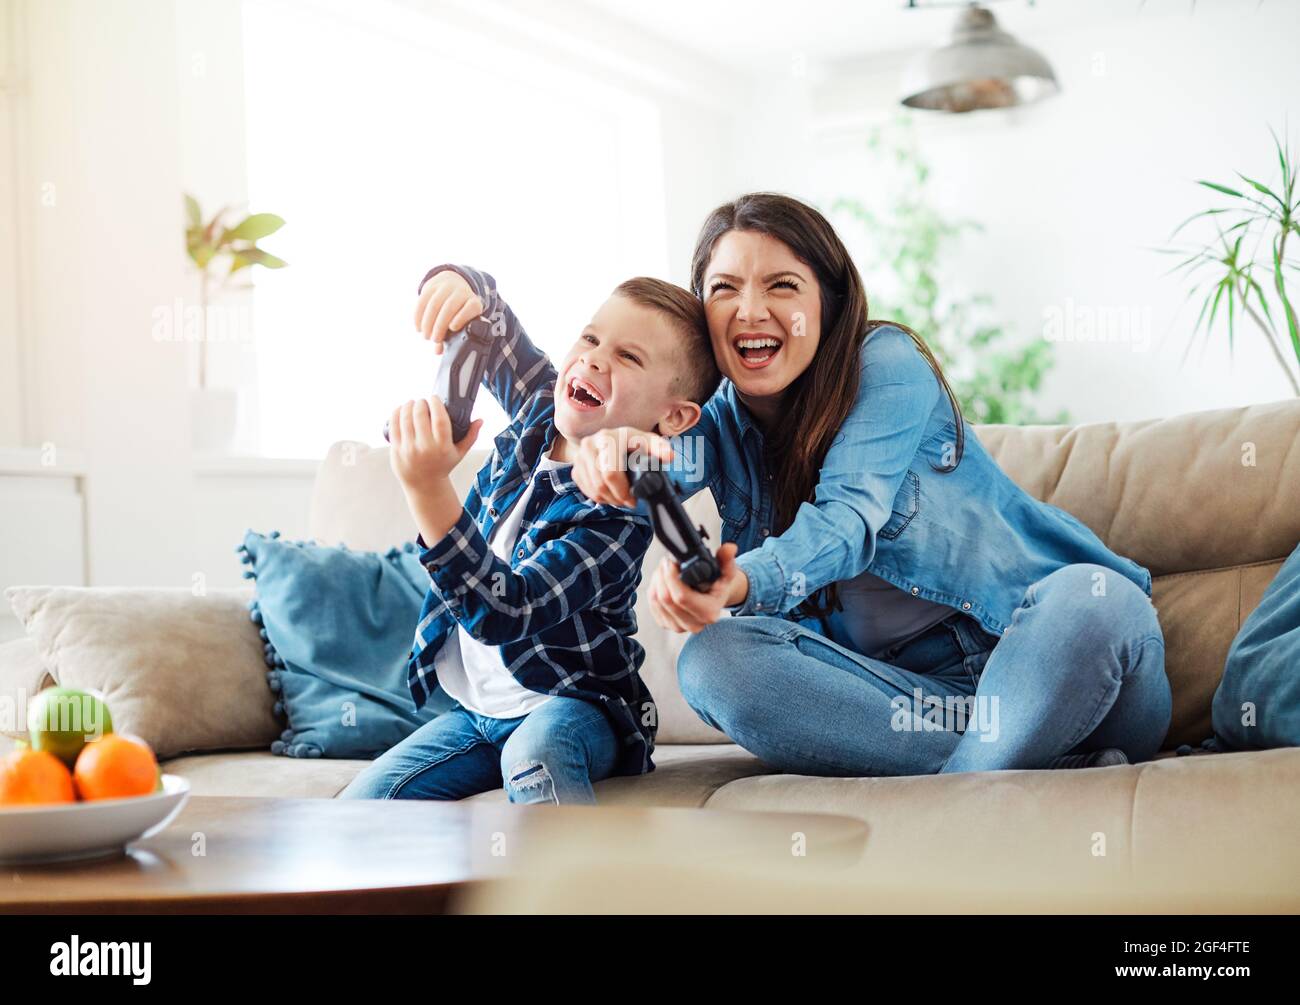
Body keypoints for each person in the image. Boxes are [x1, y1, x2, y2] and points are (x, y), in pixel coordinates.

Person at [570, 192, 1172, 776]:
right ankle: (1009, 767)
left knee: (1094, 597)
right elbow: (658, 469)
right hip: (905, 702)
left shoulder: (885, 364)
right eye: (724, 289)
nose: (749, 310)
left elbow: (847, 519)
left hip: (1042, 660)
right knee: (711, 660)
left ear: (828, 303)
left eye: (781, 285)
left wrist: (744, 579)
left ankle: (977, 774)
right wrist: (609, 451)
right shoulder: (719, 419)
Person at [340, 264, 720, 803]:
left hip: (578, 706)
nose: (592, 358)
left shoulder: (619, 511)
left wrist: (427, 489)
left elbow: (507, 611)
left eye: (628, 357)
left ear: (674, 417)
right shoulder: (542, 409)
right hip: (480, 715)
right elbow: (494, 328)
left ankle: (572, 888)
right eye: (590, 337)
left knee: (534, 758)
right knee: (363, 807)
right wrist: (461, 286)